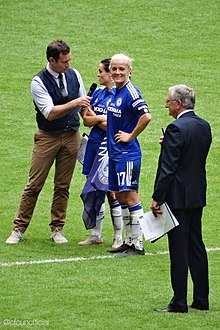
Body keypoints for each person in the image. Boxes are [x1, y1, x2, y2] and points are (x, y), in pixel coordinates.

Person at [6, 39, 91, 244]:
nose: (68, 65)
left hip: (72, 135)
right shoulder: (38, 82)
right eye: (64, 61)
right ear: (52, 60)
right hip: (48, 138)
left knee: (63, 185)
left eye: (69, 60)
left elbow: (84, 106)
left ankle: (57, 229)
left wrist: (94, 120)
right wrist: (76, 103)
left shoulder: (74, 74)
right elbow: (50, 113)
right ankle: (18, 228)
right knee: (34, 184)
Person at [151, 84, 212, 313]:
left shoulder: (175, 129)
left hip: (177, 198)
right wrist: (168, 145)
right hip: (196, 195)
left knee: (178, 250)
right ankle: (201, 299)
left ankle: (178, 302)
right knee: (196, 246)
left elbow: (169, 168)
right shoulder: (204, 126)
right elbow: (191, 155)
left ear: (178, 103)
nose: (166, 103)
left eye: (168, 100)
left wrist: (157, 197)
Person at [106, 53, 152, 257]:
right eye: (114, 69)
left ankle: (138, 245)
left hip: (127, 154)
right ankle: (128, 241)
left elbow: (146, 116)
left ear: (129, 71)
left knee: (131, 197)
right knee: (121, 197)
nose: (117, 72)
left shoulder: (130, 92)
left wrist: (130, 136)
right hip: (116, 154)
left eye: (121, 69)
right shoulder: (115, 92)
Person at [78, 58, 123, 249]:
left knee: (111, 192)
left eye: (100, 71)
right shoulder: (97, 93)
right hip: (94, 145)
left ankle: (118, 237)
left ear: (109, 74)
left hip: (108, 148)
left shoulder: (117, 96)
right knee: (95, 188)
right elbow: (86, 121)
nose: (98, 75)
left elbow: (114, 125)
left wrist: (96, 118)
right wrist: (100, 118)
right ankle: (96, 235)